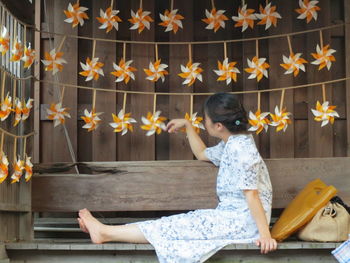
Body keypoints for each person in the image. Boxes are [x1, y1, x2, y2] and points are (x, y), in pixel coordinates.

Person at [77, 92, 277, 262]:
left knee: (175, 226)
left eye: (205, 118)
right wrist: (188, 126)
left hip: (242, 224)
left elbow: (251, 194)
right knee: (176, 224)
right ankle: (105, 231)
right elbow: (202, 154)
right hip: (230, 217)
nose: (204, 121)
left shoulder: (242, 151)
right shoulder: (233, 143)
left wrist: (265, 235)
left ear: (218, 126)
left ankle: (105, 232)